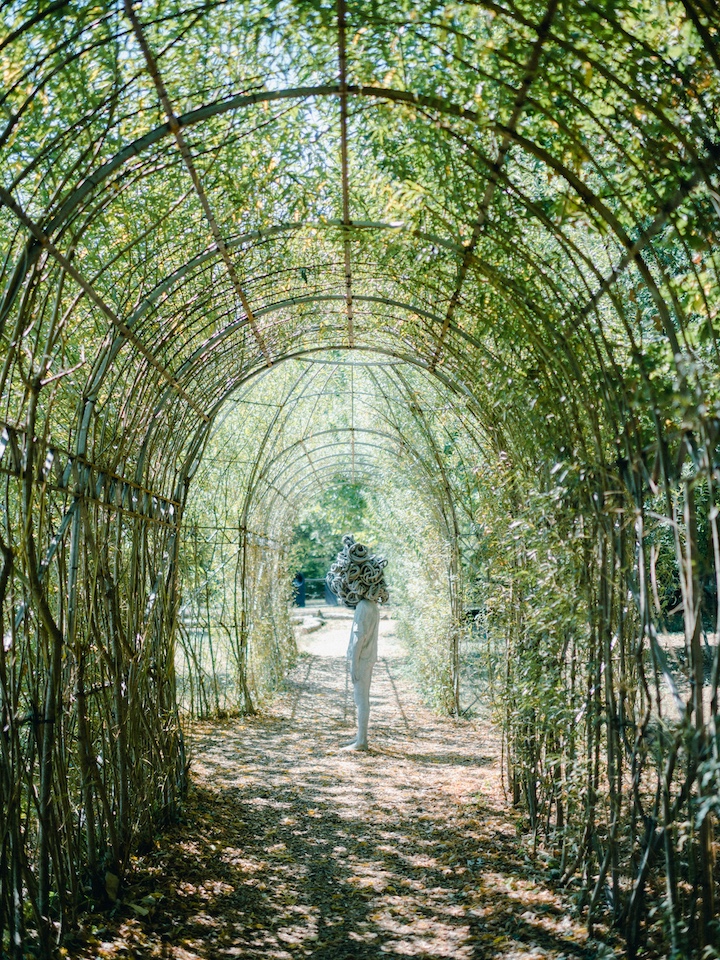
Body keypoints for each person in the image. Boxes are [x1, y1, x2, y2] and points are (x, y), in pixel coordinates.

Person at [326, 535, 389, 751]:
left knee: (360, 699)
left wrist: (353, 664)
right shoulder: (372, 606)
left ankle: (361, 741)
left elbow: (358, 638)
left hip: (361, 659)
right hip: (368, 658)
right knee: (362, 698)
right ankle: (359, 738)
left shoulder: (363, 607)